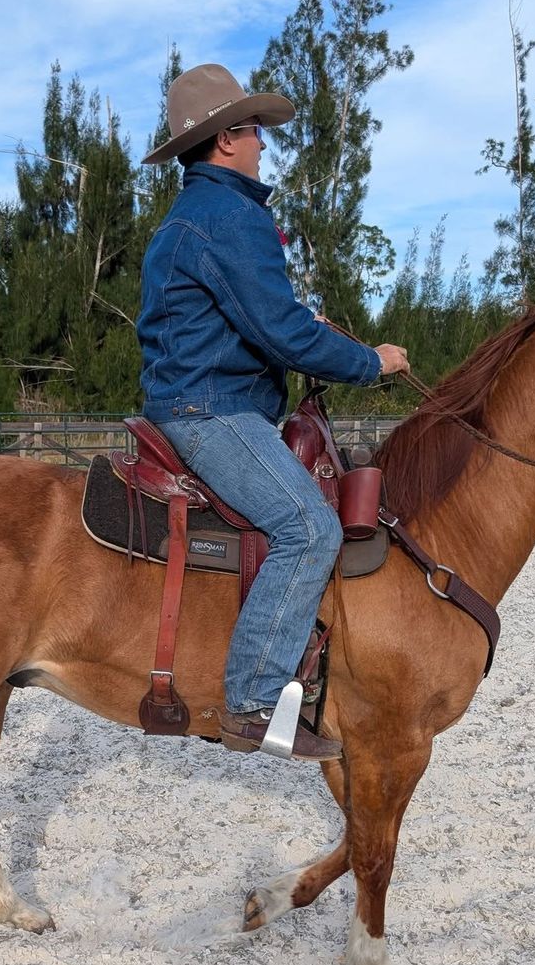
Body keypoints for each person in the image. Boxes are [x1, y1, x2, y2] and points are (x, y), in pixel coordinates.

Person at [137, 63, 409, 759]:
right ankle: (254, 700)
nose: (263, 142)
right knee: (310, 527)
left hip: (199, 396)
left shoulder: (195, 215)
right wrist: (369, 364)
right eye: (254, 130)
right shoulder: (232, 215)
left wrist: (296, 326)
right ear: (226, 139)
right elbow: (283, 335)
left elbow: (260, 322)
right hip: (212, 409)